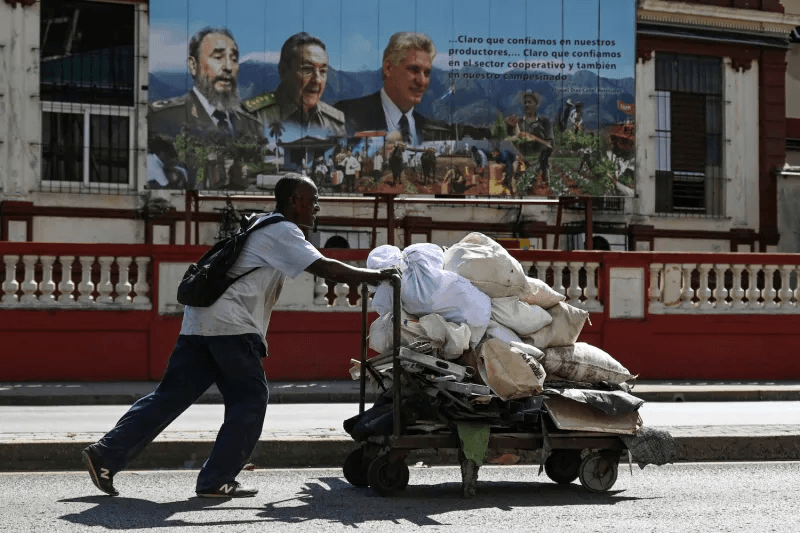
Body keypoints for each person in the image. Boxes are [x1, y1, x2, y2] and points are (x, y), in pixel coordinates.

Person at [81, 173, 399, 499]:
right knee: (250, 398)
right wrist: (379, 275)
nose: (316, 208)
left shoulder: (260, 223)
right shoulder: (283, 230)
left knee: (170, 397)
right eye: (313, 201)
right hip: (231, 327)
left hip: (200, 322)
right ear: (295, 201)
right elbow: (326, 268)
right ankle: (217, 478)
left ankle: (106, 455)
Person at [148, 27, 263, 189]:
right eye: (218, 58)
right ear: (193, 65)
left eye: (234, 59)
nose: (228, 67)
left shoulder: (252, 125)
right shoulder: (163, 117)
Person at [335, 32, 435, 145]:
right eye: (414, 70)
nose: (422, 81)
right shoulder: (346, 116)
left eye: (427, 73)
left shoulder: (430, 127)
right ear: (388, 68)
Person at [243, 32, 345, 140]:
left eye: (323, 71)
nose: (317, 80)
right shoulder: (253, 117)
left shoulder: (334, 122)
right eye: (307, 69)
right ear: (283, 71)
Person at [505, 90, 554, 182]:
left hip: (540, 161)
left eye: (530, 102)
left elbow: (550, 144)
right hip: (523, 161)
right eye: (525, 102)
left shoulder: (544, 122)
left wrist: (533, 137)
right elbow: (512, 141)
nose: (527, 105)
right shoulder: (519, 122)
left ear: (536, 104)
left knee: (540, 183)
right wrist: (509, 127)